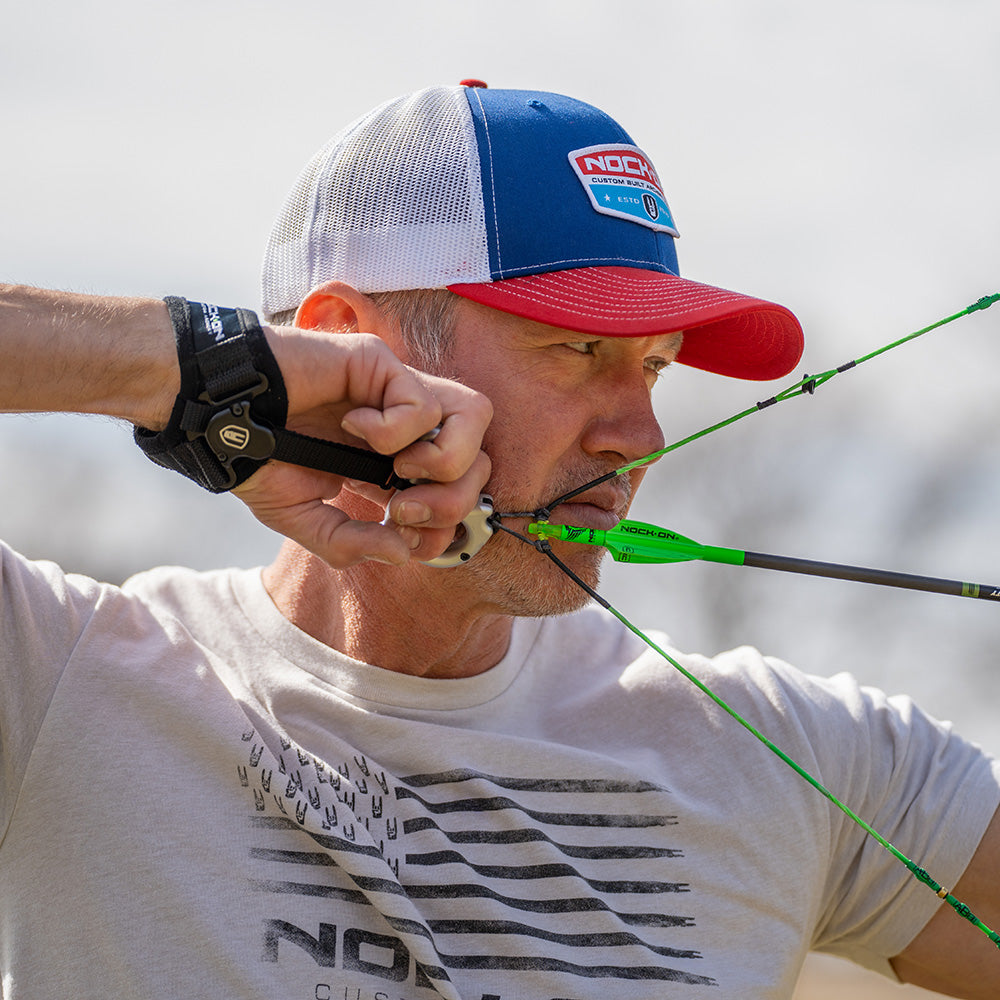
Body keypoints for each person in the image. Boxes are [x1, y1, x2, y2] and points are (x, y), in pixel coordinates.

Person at [1, 82, 997, 1000]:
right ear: (349, 345)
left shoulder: (806, 764)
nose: (640, 437)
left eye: (650, 368)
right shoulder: (55, 681)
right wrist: (203, 367)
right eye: (577, 351)